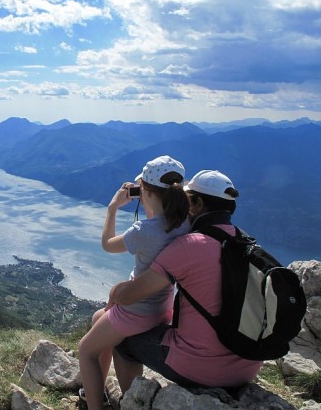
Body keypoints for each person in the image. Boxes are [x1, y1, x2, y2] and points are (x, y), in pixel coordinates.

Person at [108, 169, 264, 394]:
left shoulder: (189, 245)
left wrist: (116, 291)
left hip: (202, 367)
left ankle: (132, 402)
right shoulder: (244, 242)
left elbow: (129, 296)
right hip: (248, 364)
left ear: (198, 204)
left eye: (186, 200)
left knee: (122, 339)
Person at [78, 155, 191, 410]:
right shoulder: (186, 222)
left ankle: (95, 406)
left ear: (145, 191)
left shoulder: (144, 231)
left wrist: (113, 207)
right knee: (98, 319)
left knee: (86, 350)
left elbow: (107, 244)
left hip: (135, 311)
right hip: (162, 309)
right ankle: (93, 392)